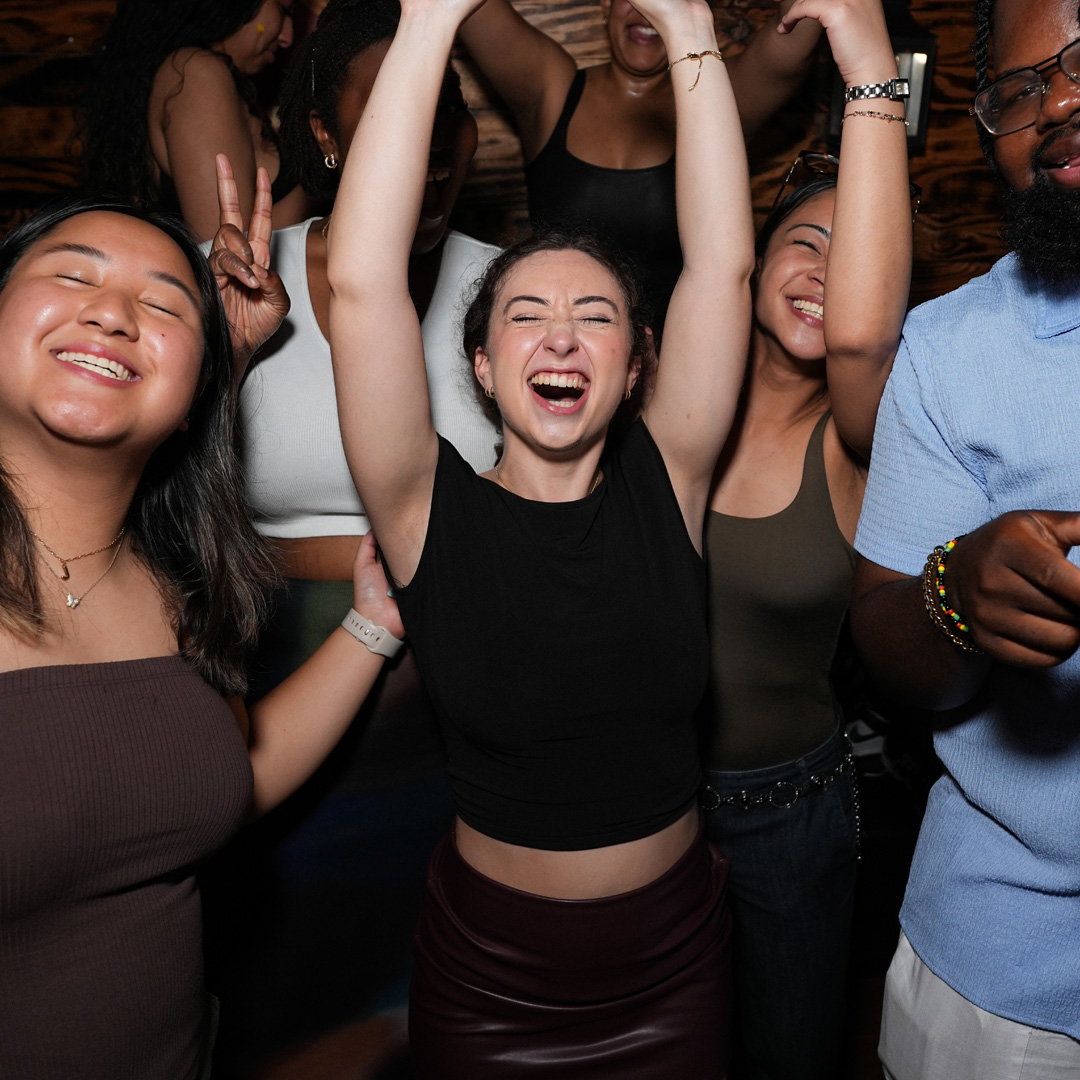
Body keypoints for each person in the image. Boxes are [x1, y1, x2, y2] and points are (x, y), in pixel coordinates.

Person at [327, 0, 754, 1073]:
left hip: (674, 959)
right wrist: (430, 22)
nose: (562, 337)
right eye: (525, 315)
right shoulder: (425, 510)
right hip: (492, 974)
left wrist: (688, 26)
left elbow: (721, 267)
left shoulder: (669, 479)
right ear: (480, 366)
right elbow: (363, 282)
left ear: (638, 367)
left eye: (596, 317)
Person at [0, 188, 405, 1080]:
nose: (113, 313)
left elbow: (226, 778)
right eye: (73, 278)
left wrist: (372, 624)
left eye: (163, 305)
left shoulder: (176, 584)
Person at [200, 1, 500, 1073]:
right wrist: (228, 353)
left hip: (457, 717)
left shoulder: (515, 293)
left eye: (445, 108)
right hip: (267, 700)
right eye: (389, 112)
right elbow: (162, 518)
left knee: (437, 1013)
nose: (428, 142)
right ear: (323, 135)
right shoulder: (240, 280)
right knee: (287, 1004)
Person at [849, 0, 1080, 1076]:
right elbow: (885, 637)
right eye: (1022, 90)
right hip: (1005, 978)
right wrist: (955, 592)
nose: (1058, 103)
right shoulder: (949, 350)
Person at [695, 0, 914, 1075]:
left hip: (789, 818)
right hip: (642, 803)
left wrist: (870, 69)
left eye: (850, 255)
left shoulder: (865, 439)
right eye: (803, 243)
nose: (825, 273)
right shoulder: (668, 399)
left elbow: (864, 339)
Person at [457, 0, 822, 328]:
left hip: (678, 361)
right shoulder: (550, 88)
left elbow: (800, 24)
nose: (649, 11)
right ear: (606, 4)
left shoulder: (715, 98)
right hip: (559, 350)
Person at [80, 0, 313, 242]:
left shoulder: (208, 76)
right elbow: (224, 248)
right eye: (283, 10)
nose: (287, 37)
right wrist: (322, 173)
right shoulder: (196, 73)